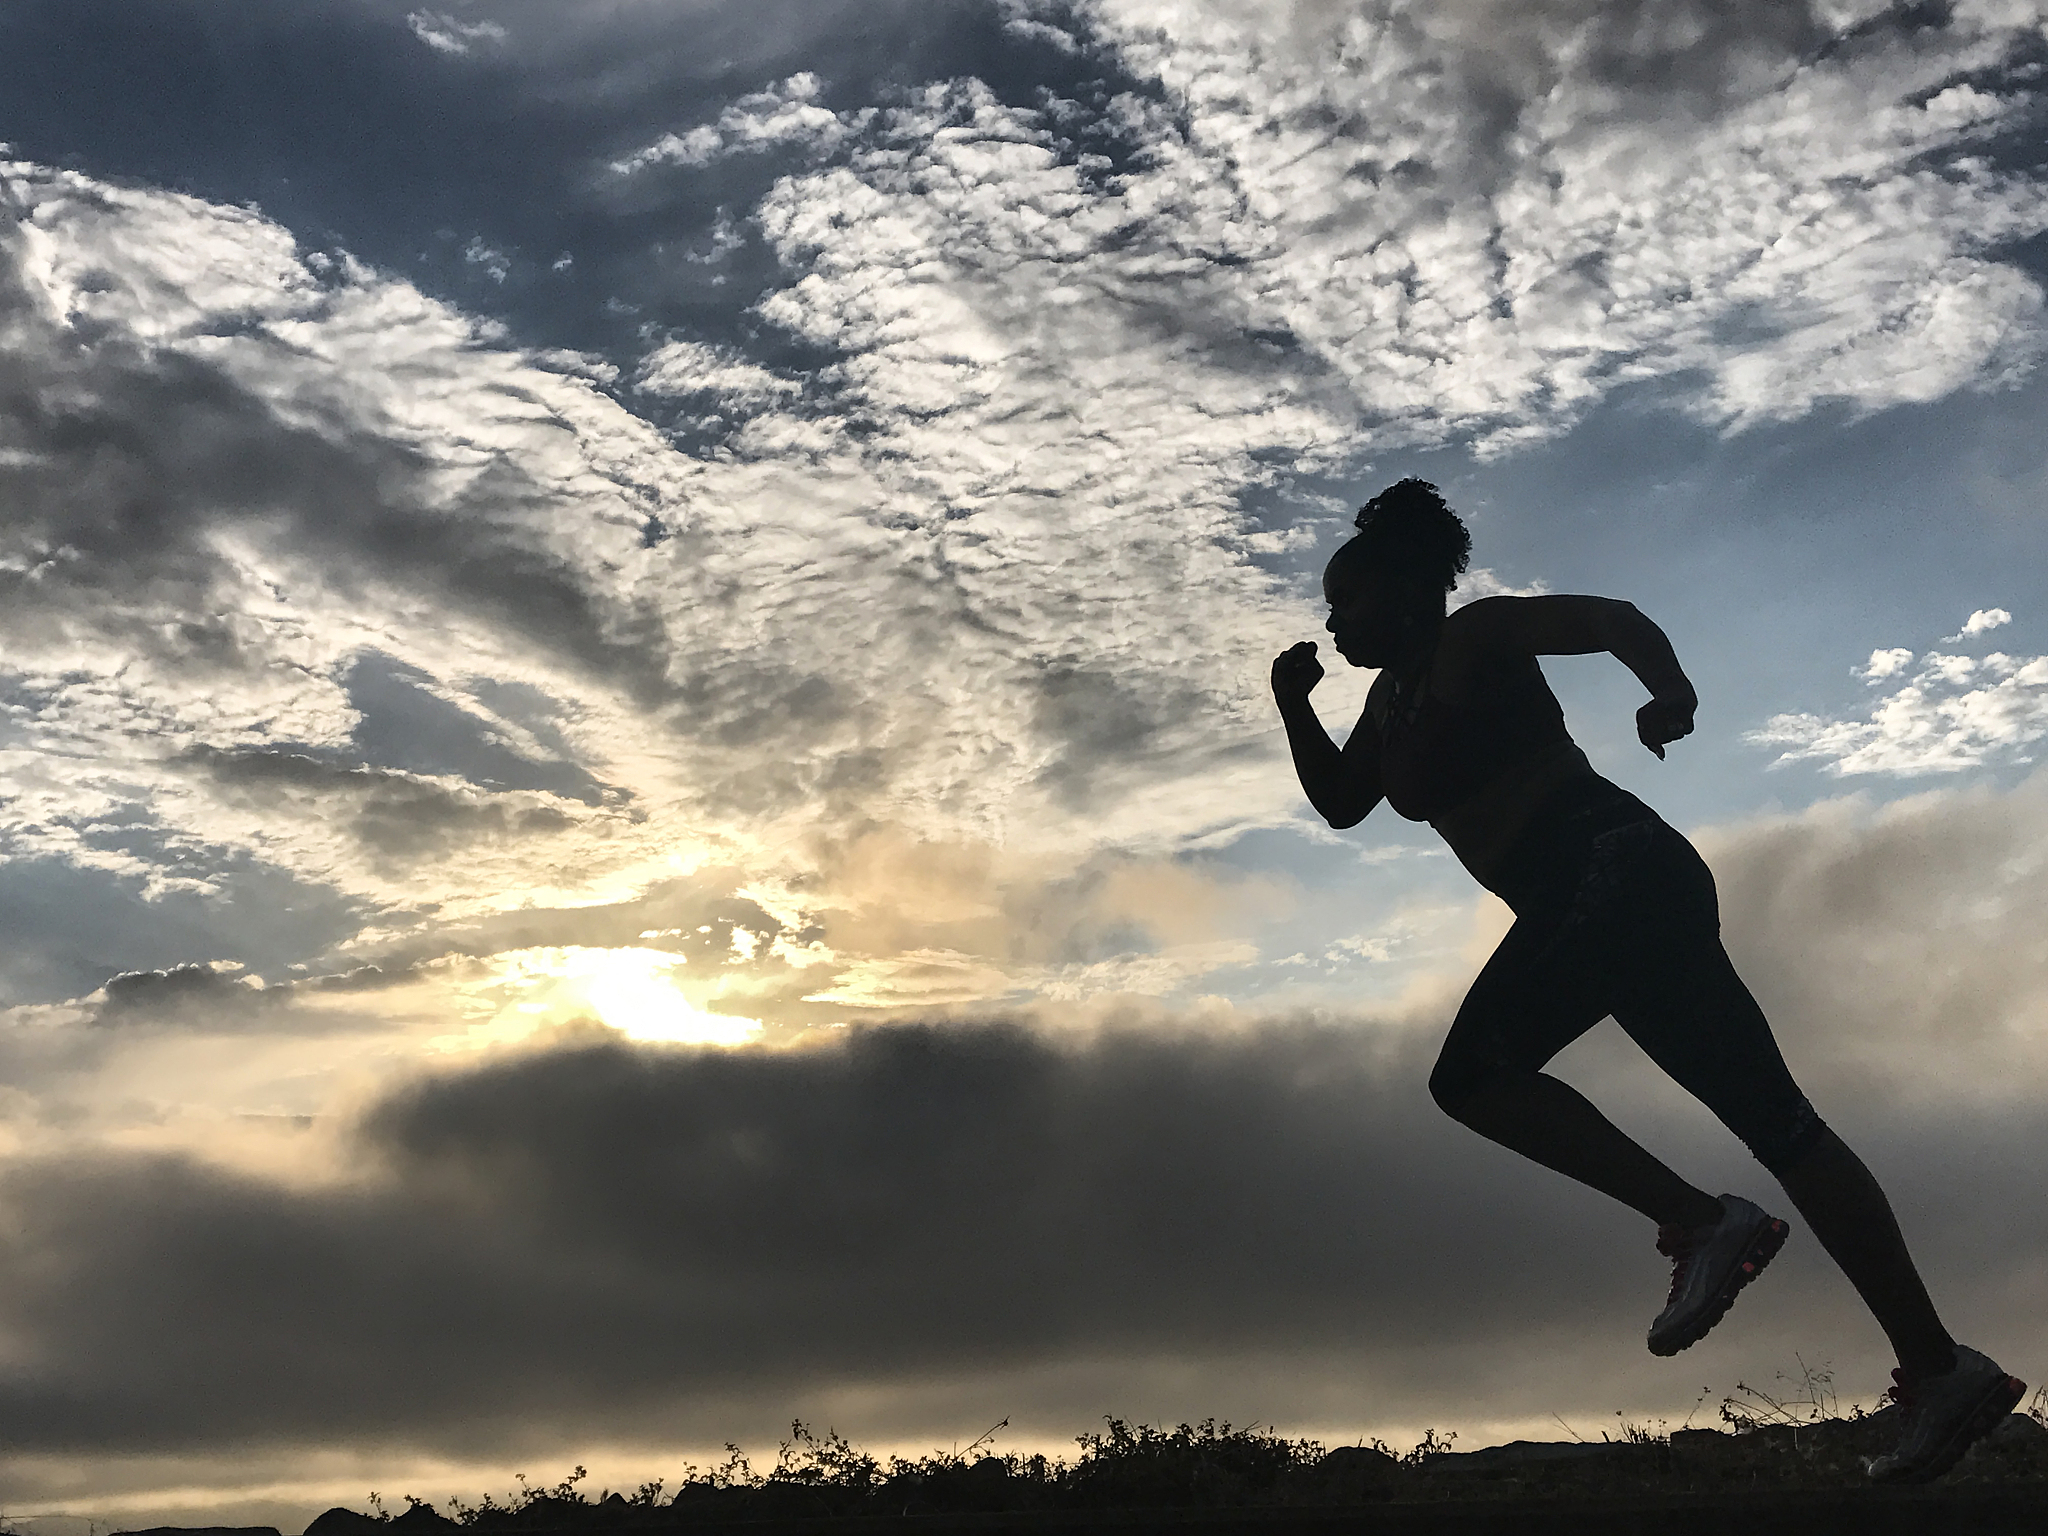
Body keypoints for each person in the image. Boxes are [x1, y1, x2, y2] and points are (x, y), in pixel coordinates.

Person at [1271, 478, 2025, 1484]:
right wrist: (1291, 706)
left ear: (1405, 591)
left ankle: (1702, 1221)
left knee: (1474, 1077)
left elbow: (1613, 621)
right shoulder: (1386, 701)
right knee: (1781, 1125)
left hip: (1607, 867)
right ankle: (1938, 1370)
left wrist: (1667, 692)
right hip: (1604, 898)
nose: (1334, 618)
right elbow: (1338, 804)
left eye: (1347, 599)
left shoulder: (1476, 637)